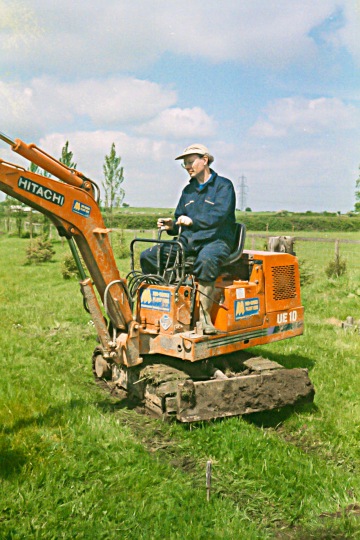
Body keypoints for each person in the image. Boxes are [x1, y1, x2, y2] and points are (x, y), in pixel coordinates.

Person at [140, 143, 237, 334]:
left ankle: (204, 318)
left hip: (216, 241)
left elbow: (219, 216)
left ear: (205, 160)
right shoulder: (188, 191)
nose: (187, 167)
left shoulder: (224, 187)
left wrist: (192, 221)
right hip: (189, 242)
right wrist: (171, 225)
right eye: (184, 164)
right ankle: (162, 307)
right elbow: (181, 219)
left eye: (190, 162)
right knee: (149, 256)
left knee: (206, 260)